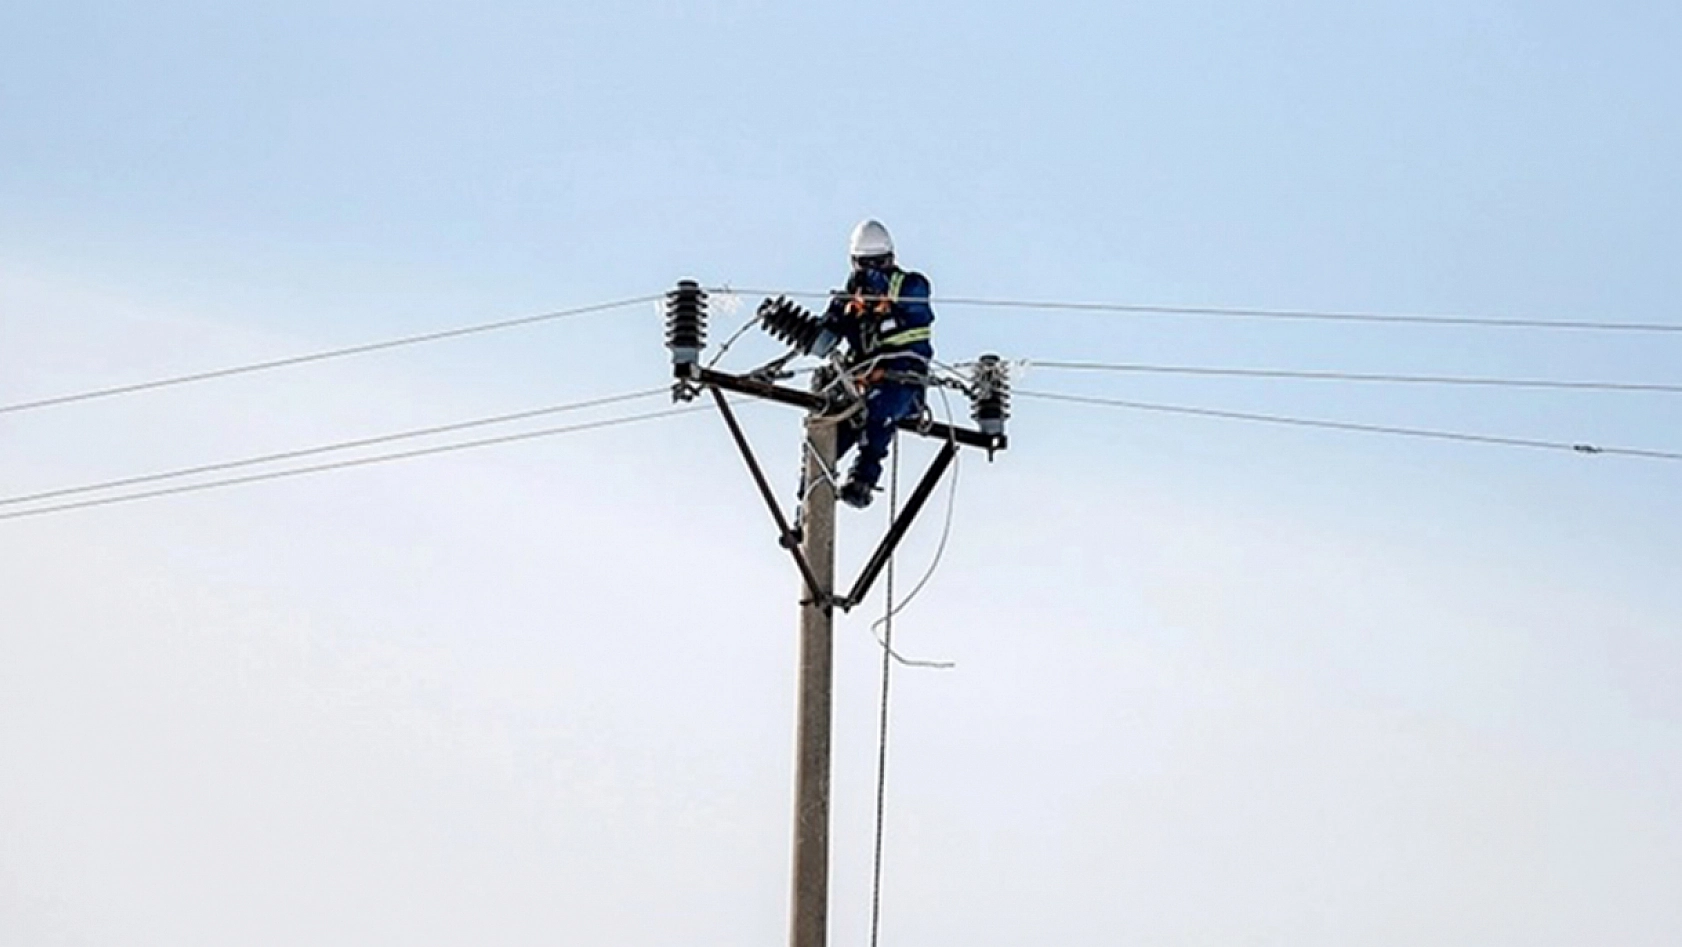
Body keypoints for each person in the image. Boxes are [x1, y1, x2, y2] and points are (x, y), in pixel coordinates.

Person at [813, 219, 935, 509]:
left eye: (878, 263)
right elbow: (826, 332)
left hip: (901, 383)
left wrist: (875, 287)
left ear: (890, 259)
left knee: (879, 412)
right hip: (858, 387)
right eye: (864, 265)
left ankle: (863, 479)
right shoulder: (850, 298)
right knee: (825, 437)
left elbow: (915, 297)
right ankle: (808, 504)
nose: (871, 271)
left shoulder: (910, 287)